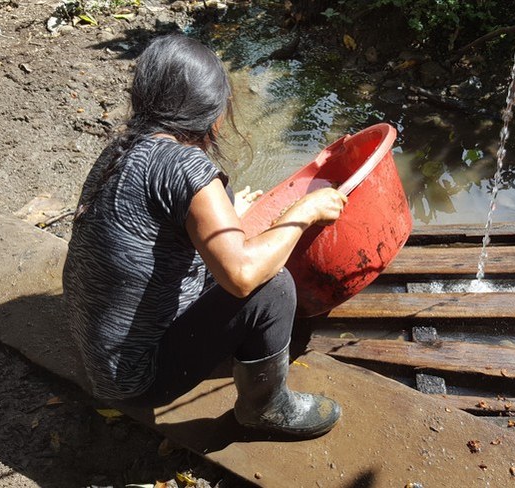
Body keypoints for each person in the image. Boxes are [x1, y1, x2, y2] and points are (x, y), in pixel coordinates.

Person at [62, 34, 347, 438]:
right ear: (213, 115)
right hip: (135, 378)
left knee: (241, 254)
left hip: (95, 350)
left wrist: (230, 213)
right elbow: (242, 276)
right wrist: (304, 212)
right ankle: (265, 408)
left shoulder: (121, 148)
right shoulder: (185, 168)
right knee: (274, 288)